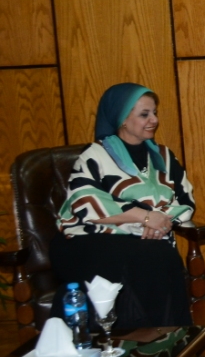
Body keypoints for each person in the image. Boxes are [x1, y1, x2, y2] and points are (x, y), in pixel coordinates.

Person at [51, 83, 196, 328]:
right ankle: (131, 337)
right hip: (86, 240)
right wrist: (144, 217)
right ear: (122, 120)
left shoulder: (164, 156)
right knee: (152, 256)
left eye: (154, 113)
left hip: (145, 240)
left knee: (158, 255)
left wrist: (160, 221)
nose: (154, 120)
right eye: (144, 114)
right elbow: (84, 202)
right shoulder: (94, 155)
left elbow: (185, 200)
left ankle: (167, 339)